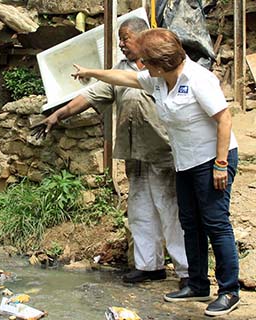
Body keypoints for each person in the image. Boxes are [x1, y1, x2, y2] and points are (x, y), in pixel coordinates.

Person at [70, 28, 240, 317]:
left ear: (160, 64)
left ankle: (229, 291)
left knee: (215, 224)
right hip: (184, 161)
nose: (141, 66)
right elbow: (125, 78)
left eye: (145, 61)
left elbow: (224, 119)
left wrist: (221, 164)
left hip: (212, 159)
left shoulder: (199, 79)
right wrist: (92, 72)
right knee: (190, 223)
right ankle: (197, 284)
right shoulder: (159, 81)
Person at [33, 18, 189, 287]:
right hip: (134, 153)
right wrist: (56, 116)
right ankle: (149, 266)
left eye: (125, 38)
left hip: (163, 152)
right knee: (140, 211)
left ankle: (188, 273)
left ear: (141, 38)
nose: (120, 43)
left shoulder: (162, 68)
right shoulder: (121, 70)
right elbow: (91, 94)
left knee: (170, 211)